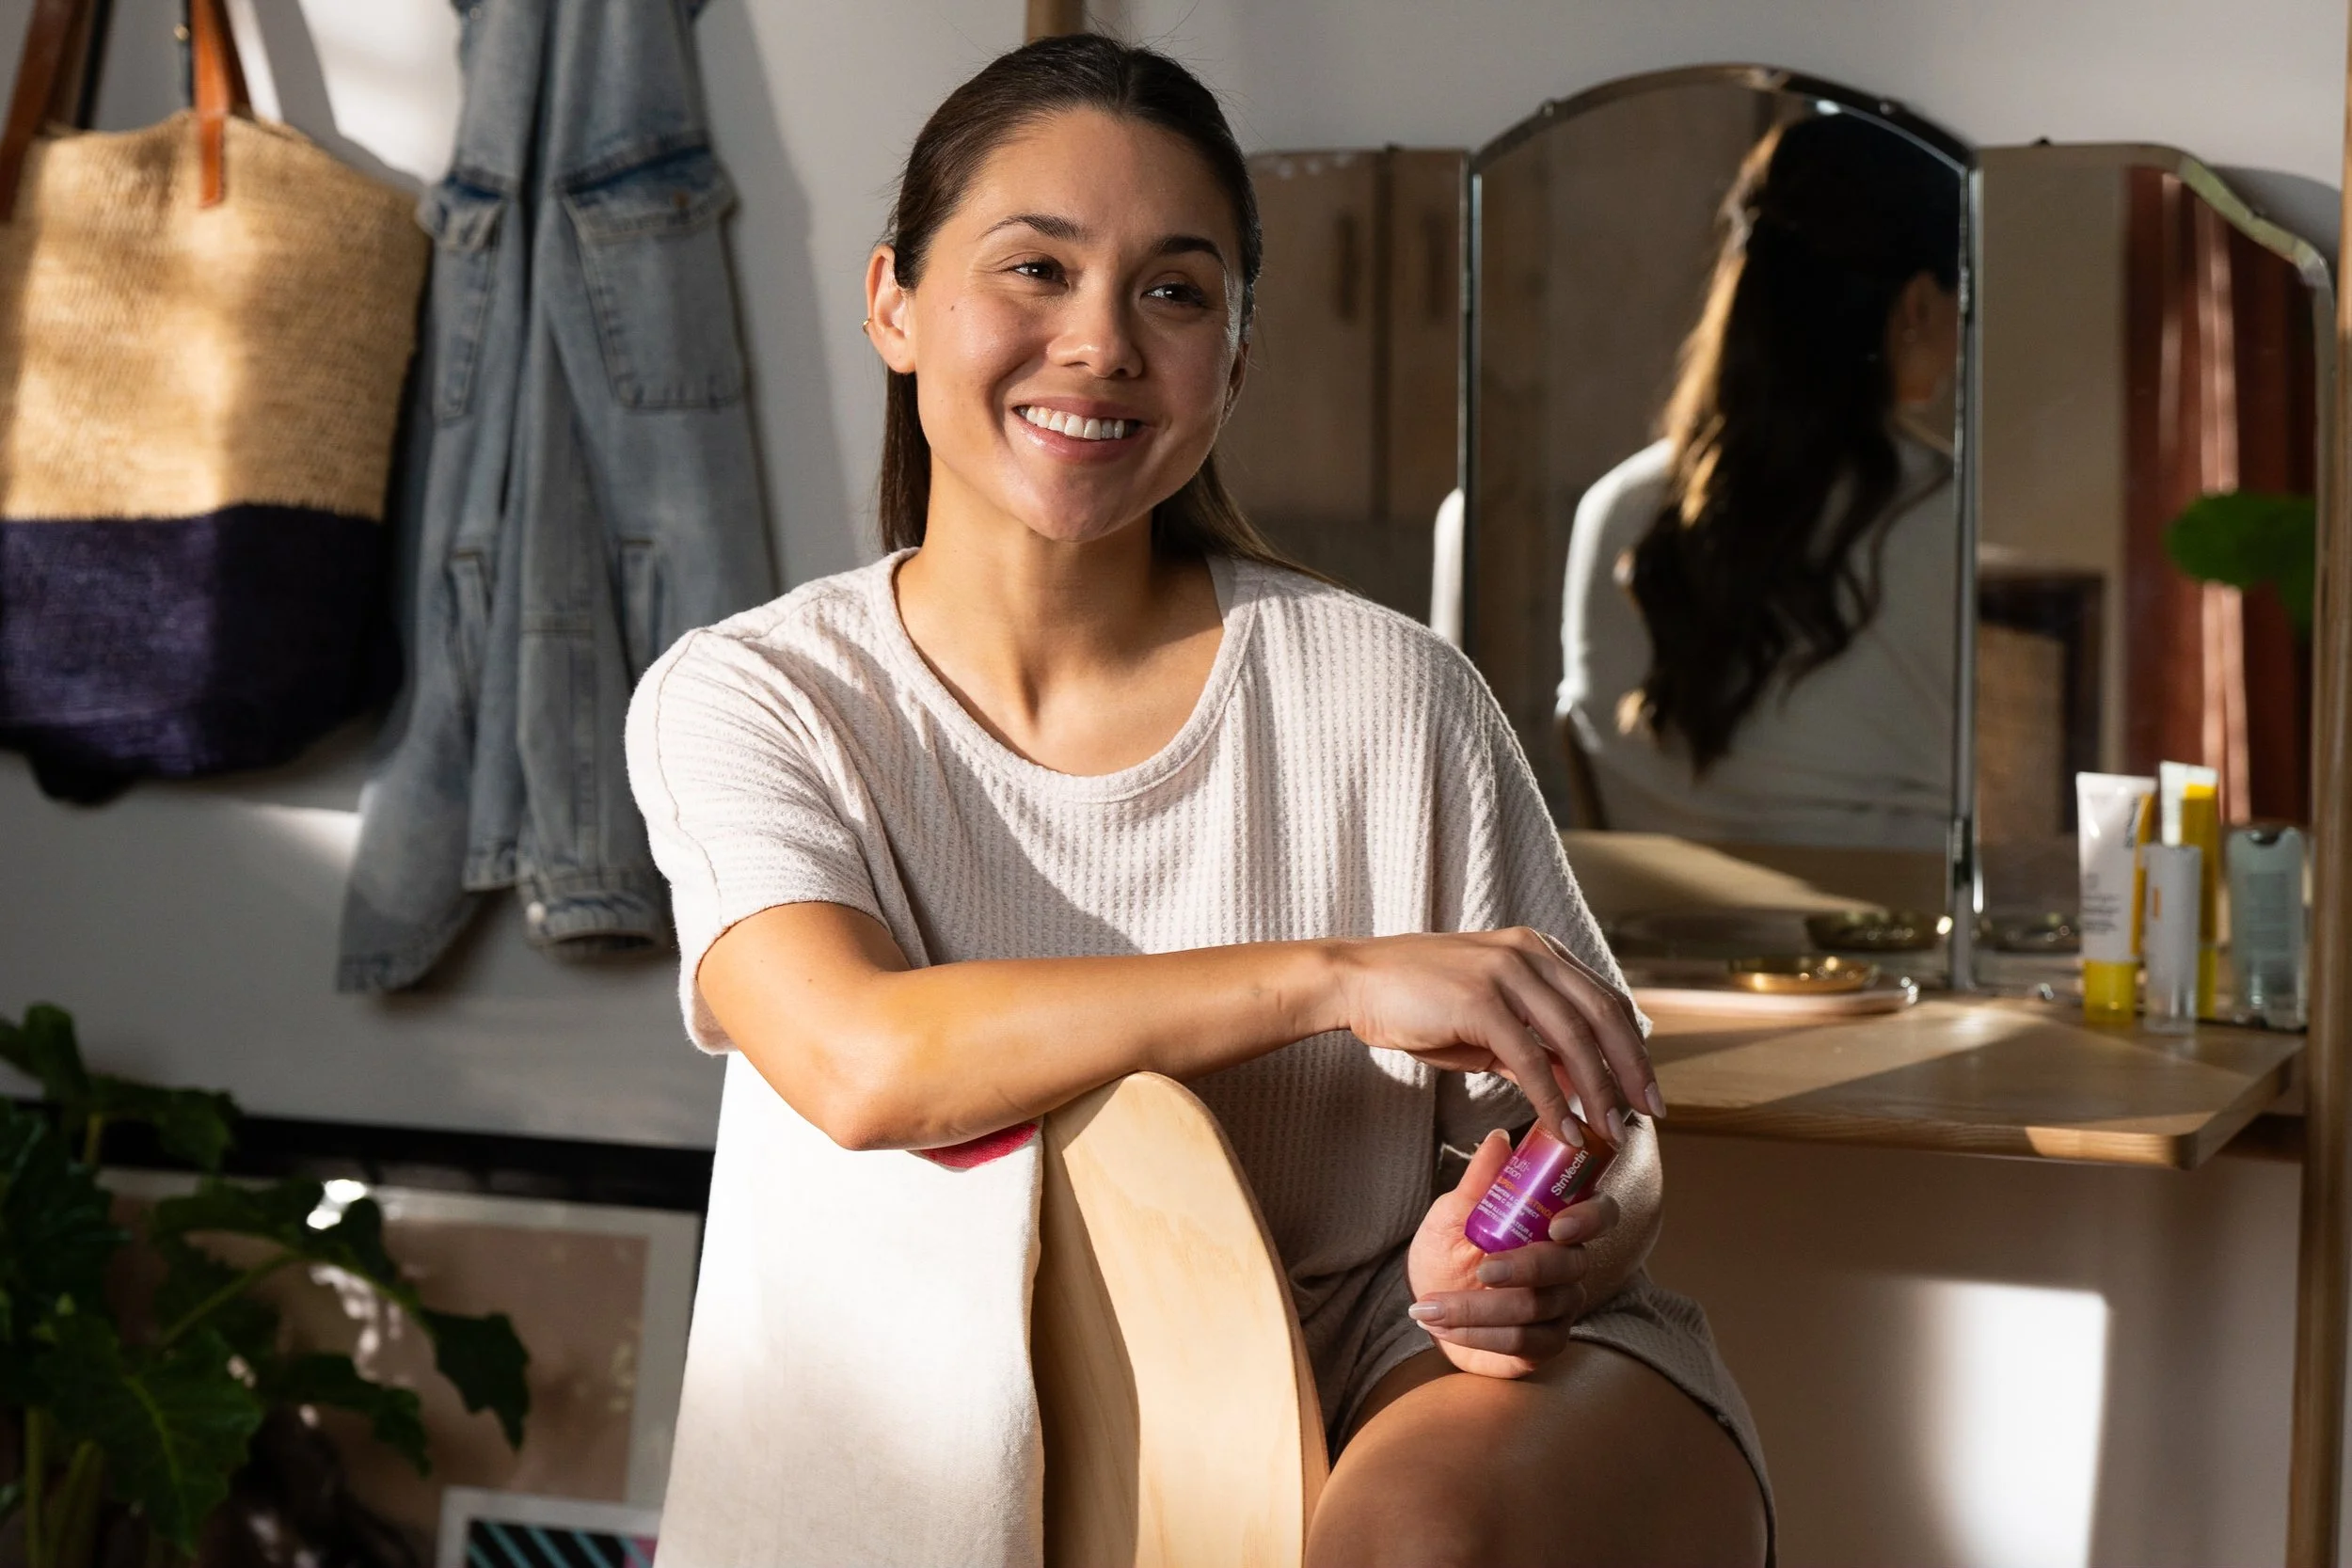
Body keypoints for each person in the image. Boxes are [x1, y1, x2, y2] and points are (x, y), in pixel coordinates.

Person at [628, 36, 1768, 1566]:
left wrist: (1537, 1243)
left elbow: (1602, 1127)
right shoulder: (758, 697)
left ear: (1231, 354)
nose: (1100, 342)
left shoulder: (1391, 693)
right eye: (1035, 268)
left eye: (1174, 289)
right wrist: (1335, 975)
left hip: (1387, 1360)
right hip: (950, 1393)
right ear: (894, 300)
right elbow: (858, 1058)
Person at [1558, 113, 1963, 849]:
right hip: (1894, 947)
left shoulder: (1614, 509)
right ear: (1916, 305)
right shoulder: (1940, 508)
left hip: (1652, 942)